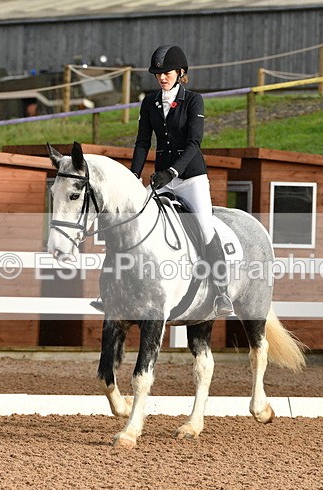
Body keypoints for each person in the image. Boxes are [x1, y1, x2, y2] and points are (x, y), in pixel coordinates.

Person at [92, 44, 233, 317]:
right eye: (157, 74)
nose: (161, 78)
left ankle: (221, 293)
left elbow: (194, 143)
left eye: (166, 73)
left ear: (180, 73)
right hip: (160, 179)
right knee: (129, 223)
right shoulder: (150, 102)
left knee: (204, 228)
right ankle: (110, 290)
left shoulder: (194, 101)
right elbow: (143, 142)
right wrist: (133, 177)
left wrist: (173, 172)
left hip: (189, 177)